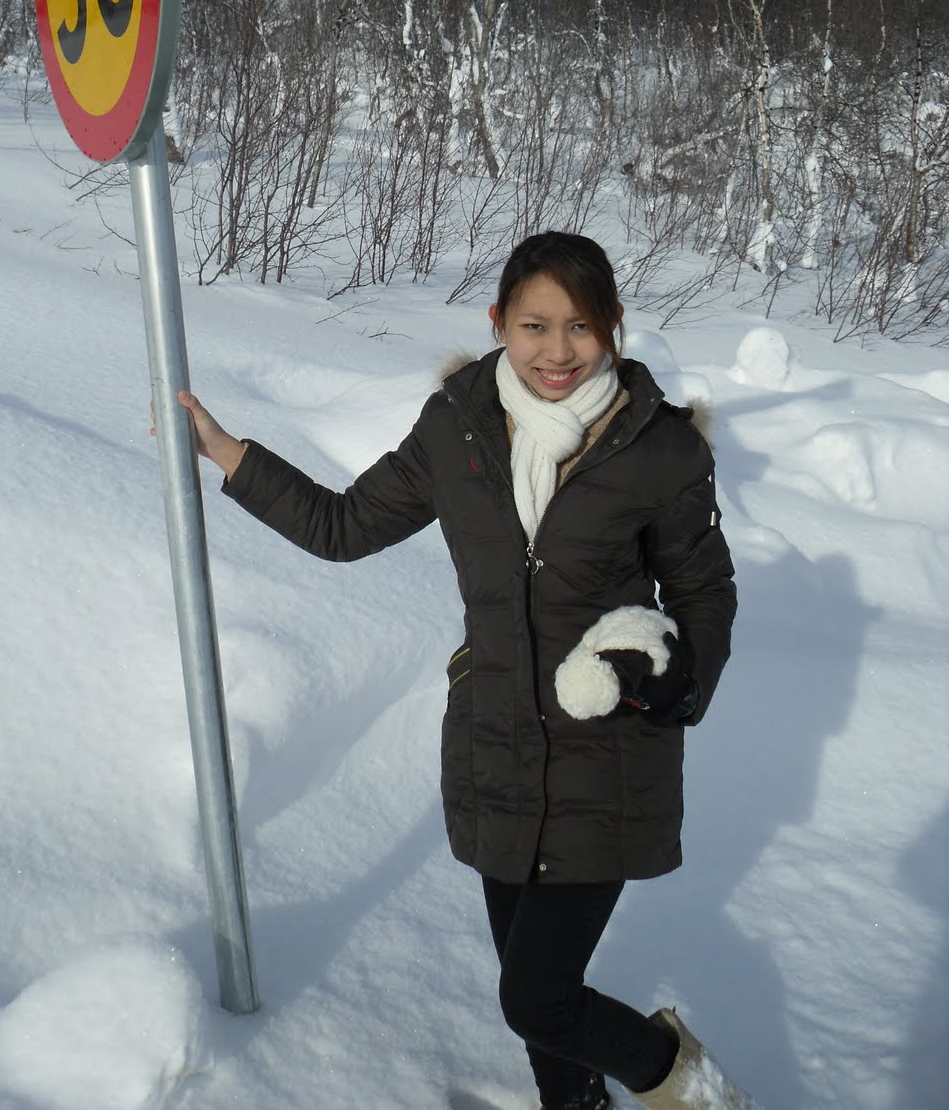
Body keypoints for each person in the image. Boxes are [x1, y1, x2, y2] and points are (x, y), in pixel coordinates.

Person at [175, 231, 755, 1110]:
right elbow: (344, 526)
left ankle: (692, 1089)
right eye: (534, 326)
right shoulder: (457, 427)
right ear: (497, 322)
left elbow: (704, 591)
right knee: (537, 999)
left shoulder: (660, 448)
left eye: (581, 326)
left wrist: (680, 674)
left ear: (613, 326)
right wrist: (228, 452)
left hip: (605, 753)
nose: (558, 351)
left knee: (536, 998)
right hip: (495, 749)